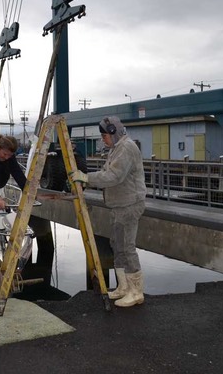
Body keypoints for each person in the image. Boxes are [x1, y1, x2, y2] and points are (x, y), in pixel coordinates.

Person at [70, 116, 147, 307]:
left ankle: (136, 292)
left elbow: (114, 176)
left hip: (129, 205)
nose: (103, 139)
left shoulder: (126, 148)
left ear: (114, 132)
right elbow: (108, 173)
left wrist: (86, 178)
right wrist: (88, 178)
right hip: (119, 205)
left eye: (104, 135)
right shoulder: (116, 149)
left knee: (127, 247)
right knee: (117, 245)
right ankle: (124, 287)